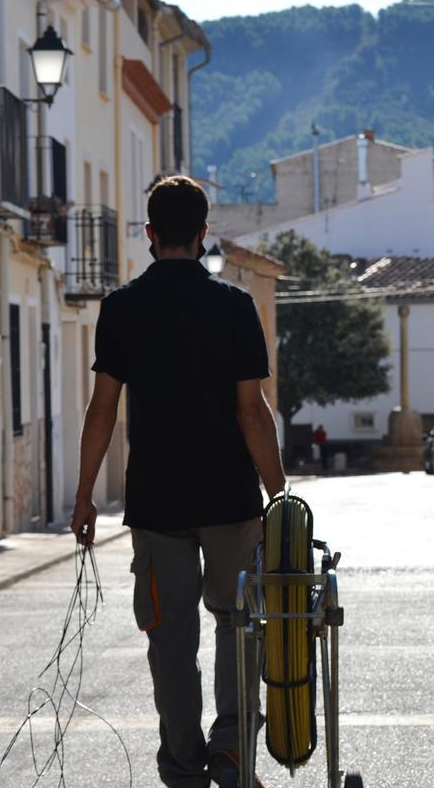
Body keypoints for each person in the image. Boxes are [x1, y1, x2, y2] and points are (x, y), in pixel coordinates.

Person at [70, 175, 286, 788]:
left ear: (148, 234)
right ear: (202, 233)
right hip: (230, 498)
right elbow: (252, 410)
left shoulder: (121, 309)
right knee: (239, 621)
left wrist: (85, 496)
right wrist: (279, 490)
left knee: (170, 639)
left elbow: (103, 409)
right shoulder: (236, 306)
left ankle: (184, 766)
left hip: (157, 501)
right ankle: (233, 747)